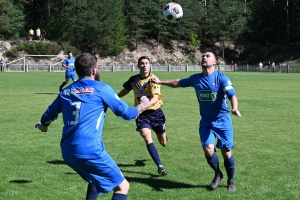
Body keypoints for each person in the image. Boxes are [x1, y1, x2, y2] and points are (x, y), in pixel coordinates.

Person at [35, 53, 150, 200]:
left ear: (76, 71)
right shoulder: (101, 88)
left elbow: (47, 116)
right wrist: (142, 105)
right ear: (95, 71)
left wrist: (43, 127)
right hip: (89, 149)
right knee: (122, 187)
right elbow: (127, 113)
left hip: (68, 151)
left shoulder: (66, 91)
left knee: (94, 180)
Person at [152, 52, 242, 192]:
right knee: (208, 149)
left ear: (214, 62)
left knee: (226, 152)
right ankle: (218, 173)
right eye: (203, 56)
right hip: (206, 121)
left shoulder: (221, 78)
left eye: (208, 56)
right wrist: (161, 82)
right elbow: (179, 82)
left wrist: (235, 108)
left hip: (223, 120)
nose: (204, 57)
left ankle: (231, 181)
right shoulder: (196, 79)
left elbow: (232, 94)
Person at [117, 56, 168, 176]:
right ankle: (160, 166)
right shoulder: (133, 79)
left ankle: (164, 135)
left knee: (163, 143)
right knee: (146, 136)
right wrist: (115, 98)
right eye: (142, 63)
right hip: (142, 115)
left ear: (150, 65)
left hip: (156, 113)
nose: (144, 65)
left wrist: (143, 106)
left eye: (146, 63)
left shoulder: (153, 79)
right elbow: (126, 89)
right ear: (138, 65)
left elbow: (155, 99)